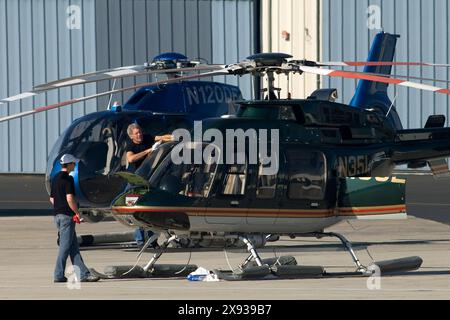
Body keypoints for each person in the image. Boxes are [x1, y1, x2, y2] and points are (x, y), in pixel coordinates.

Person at [50, 154, 100, 283]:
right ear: (70, 164)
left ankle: (84, 274)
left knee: (73, 248)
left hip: (58, 216)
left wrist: (59, 208)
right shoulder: (68, 179)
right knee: (65, 247)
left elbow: (52, 199)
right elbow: (70, 198)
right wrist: (77, 213)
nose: (75, 166)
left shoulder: (55, 178)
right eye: (74, 164)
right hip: (67, 217)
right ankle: (58, 274)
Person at [125, 123, 173, 249]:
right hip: (135, 180)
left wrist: (175, 137)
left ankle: (152, 240)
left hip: (148, 179)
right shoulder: (130, 145)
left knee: (150, 209)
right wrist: (148, 151)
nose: (139, 135)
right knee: (135, 209)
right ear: (131, 136)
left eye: (140, 132)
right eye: (136, 133)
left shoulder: (146, 137)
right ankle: (140, 240)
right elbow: (130, 159)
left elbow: (163, 137)